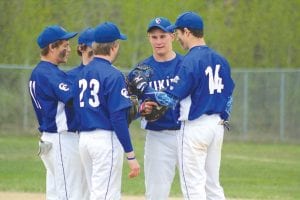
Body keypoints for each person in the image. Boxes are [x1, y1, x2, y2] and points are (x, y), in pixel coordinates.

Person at [165, 11, 235, 200]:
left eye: (178, 33)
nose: (177, 37)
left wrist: (146, 91)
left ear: (187, 32)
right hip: (216, 127)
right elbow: (229, 96)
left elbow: (172, 98)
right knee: (212, 185)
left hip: (194, 127)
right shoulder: (221, 59)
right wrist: (223, 118)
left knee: (193, 186)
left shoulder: (190, 60)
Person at [72, 22, 140, 200]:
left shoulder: (82, 74)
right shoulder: (113, 74)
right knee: (106, 195)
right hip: (105, 140)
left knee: (96, 192)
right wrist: (131, 155)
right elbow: (118, 118)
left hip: (84, 140)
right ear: (114, 46)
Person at [28, 25, 88, 200]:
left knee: (57, 192)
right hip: (62, 140)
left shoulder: (43, 71)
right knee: (72, 193)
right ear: (52, 47)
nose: (69, 49)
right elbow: (74, 99)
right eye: (65, 45)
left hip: (51, 138)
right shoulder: (48, 73)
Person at [128, 17, 183, 200]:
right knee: (156, 193)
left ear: (173, 36)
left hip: (186, 134)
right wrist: (141, 110)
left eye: (163, 36)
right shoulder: (142, 70)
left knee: (196, 188)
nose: (158, 41)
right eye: (154, 37)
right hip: (157, 136)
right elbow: (132, 106)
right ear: (149, 38)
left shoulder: (185, 65)